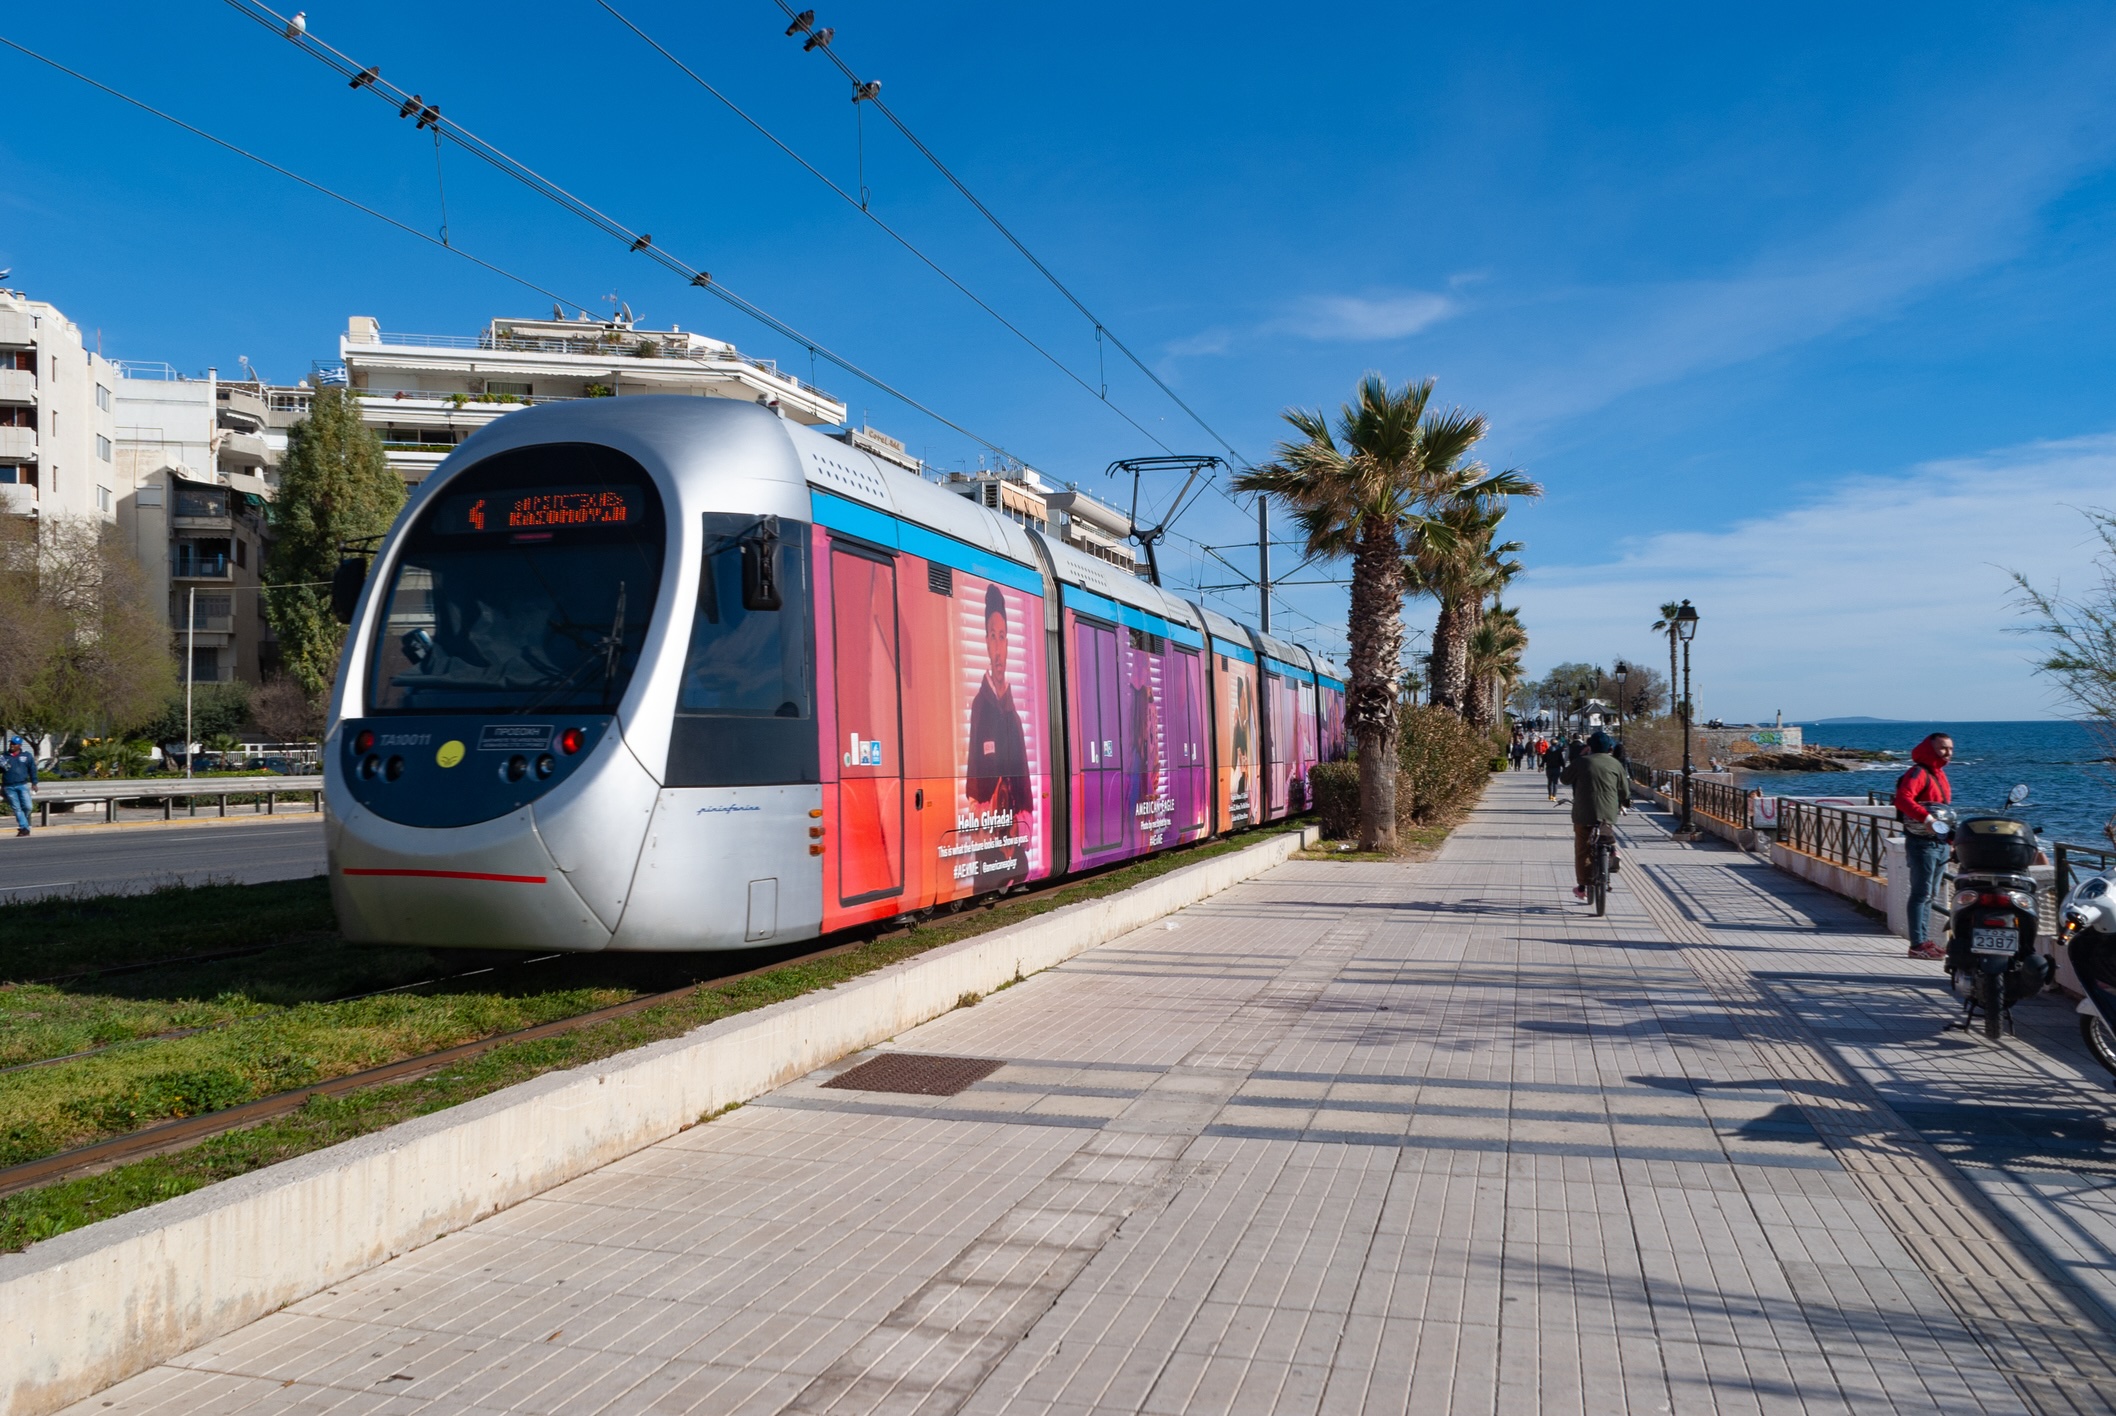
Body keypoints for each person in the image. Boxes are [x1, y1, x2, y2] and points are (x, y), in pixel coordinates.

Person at [966, 583, 1031, 887]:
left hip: (1012, 844)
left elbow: (1025, 783)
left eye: (1002, 636)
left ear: (1007, 643)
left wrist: (1021, 822)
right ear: (986, 643)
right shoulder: (981, 707)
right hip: (990, 843)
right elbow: (973, 782)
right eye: (992, 636)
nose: (998, 645)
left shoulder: (1015, 716)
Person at [1893, 732, 1954, 961]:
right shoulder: (1918, 772)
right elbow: (1903, 799)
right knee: (1921, 893)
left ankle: (1924, 940)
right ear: (1930, 749)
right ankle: (1917, 943)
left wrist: (1950, 839)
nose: (1947, 753)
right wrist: (1928, 820)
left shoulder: (1939, 774)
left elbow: (1944, 810)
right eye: (1942, 748)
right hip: (1922, 843)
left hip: (1939, 844)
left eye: (1950, 748)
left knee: (1930, 894)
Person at [1561, 730, 1629, 901]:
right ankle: (1612, 849)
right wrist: (1625, 802)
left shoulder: (1582, 762)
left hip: (1583, 813)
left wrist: (1580, 757)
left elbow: (1564, 779)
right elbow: (1624, 790)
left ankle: (1583, 888)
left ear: (1590, 746)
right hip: (1608, 812)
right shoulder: (1615, 764)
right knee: (1605, 827)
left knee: (1582, 849)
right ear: (1610, 748)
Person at [2, 736, 35, 837]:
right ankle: (24, 828)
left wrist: (34, 782)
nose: (12, 745)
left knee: (28, 807)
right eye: (11, 743)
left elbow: (32, 769)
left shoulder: (27, 756)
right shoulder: (3, 757)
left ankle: (22, 822)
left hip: (22, 785)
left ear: (19, 745)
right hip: (9, 786)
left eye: (14, 744)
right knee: (17, 808)